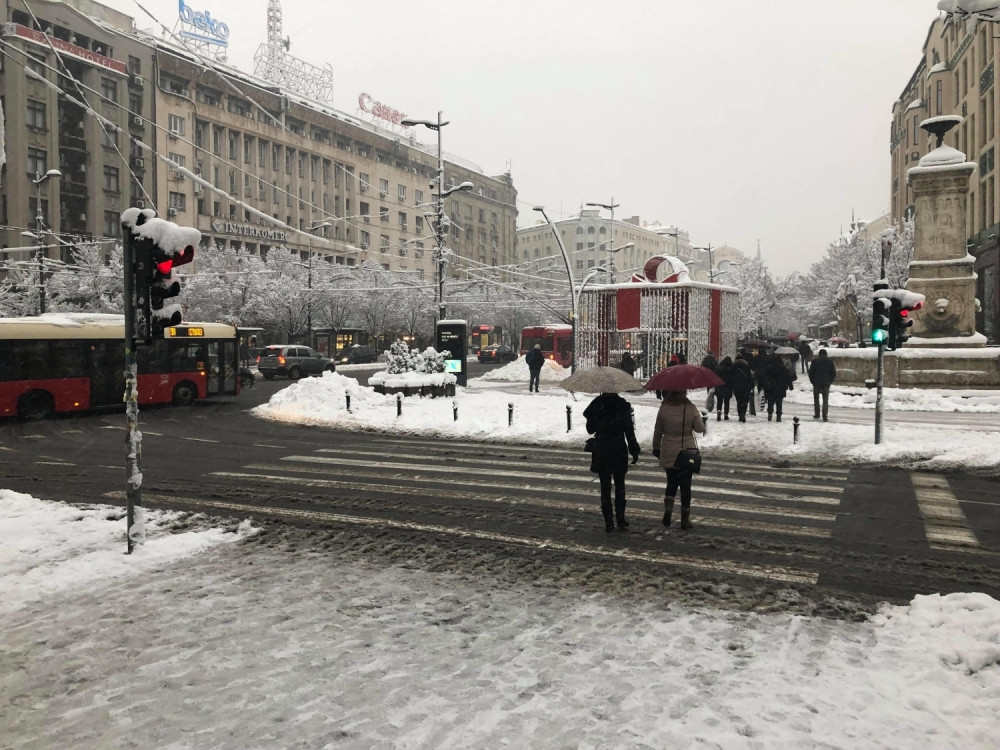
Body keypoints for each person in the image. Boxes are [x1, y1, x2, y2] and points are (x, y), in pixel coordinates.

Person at [584, 392, 641, 532]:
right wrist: (634, 449)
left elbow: (590, 430)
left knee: (605, 486)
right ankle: (621, 519)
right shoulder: (622, 406)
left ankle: (608, 521)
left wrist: (598, 419)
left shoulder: (596, 405)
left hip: (602, 449)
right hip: (618, 448)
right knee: (620, 485)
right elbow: (629, 431)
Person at [652, 390, 706, 530]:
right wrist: (697, 418)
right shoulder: (690, 408)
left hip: (668, 449)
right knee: (685, 486)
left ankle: (669, 508)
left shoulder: (664, 408)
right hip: (686, 452)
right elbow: (700, 429)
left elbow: (658, 430)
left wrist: (656, 447)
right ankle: (685, 520)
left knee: (671, 482)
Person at [756, 350, 796, 422]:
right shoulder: (783, 368)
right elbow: (788, 377)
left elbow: (763, 377)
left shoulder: (768, 367)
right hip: (780, 387)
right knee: (779, 402)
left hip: (770, 387)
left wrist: (762, 385)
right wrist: (790, 386)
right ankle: (778, 416)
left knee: (770, 402)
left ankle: (770, 413)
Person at [808, 348, 837, 421]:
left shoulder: (815, 361)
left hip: (817, 382)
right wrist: (830, 381)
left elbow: (811, 372)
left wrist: (813, 381)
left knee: (816, 399)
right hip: (826, 382)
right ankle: (825, 416)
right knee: (825, 399)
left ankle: (817, 414)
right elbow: (833, 373)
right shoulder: (830, 361)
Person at [729, 353, 755, 422]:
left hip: (737, 387)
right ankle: (743, 413)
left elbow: (731, 378)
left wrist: (732, 385)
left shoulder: (733, 367)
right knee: (745, 401)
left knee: (739, 401)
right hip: (746, 386)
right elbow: (750, 377)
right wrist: (752, 385)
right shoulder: (746, 367)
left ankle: (740, 414)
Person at [714, 355, 735, 420]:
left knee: (719, 401)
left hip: (719, 386)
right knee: (727, 401)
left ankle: (719, 411)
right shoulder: (731, 369)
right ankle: (726, 414)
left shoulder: (718, 368)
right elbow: (732, 379)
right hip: (728, 387)